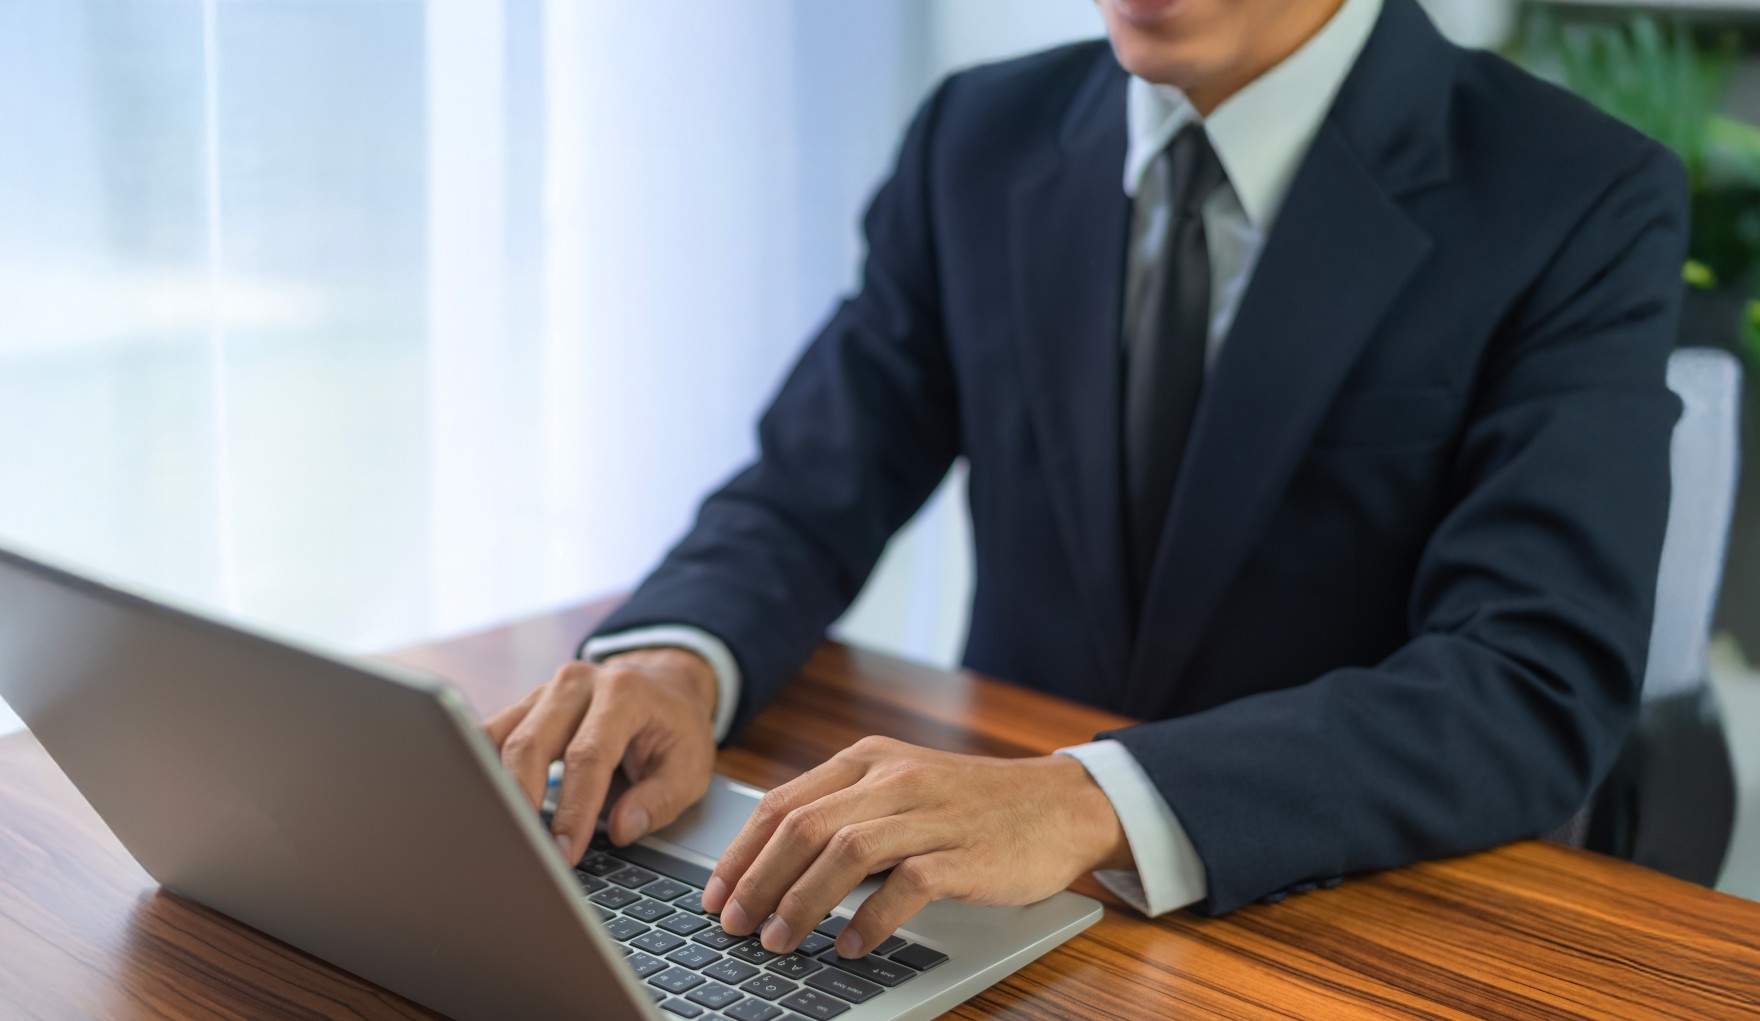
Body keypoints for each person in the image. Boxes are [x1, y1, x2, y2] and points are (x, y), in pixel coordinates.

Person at [483, 0, 1686, 961]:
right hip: (967, 921)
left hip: (1332, 926)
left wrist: (1087, 800)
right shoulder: (977, 135)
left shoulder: (1576, 195)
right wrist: (676, 659)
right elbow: (811, 482)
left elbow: (1533, 677)